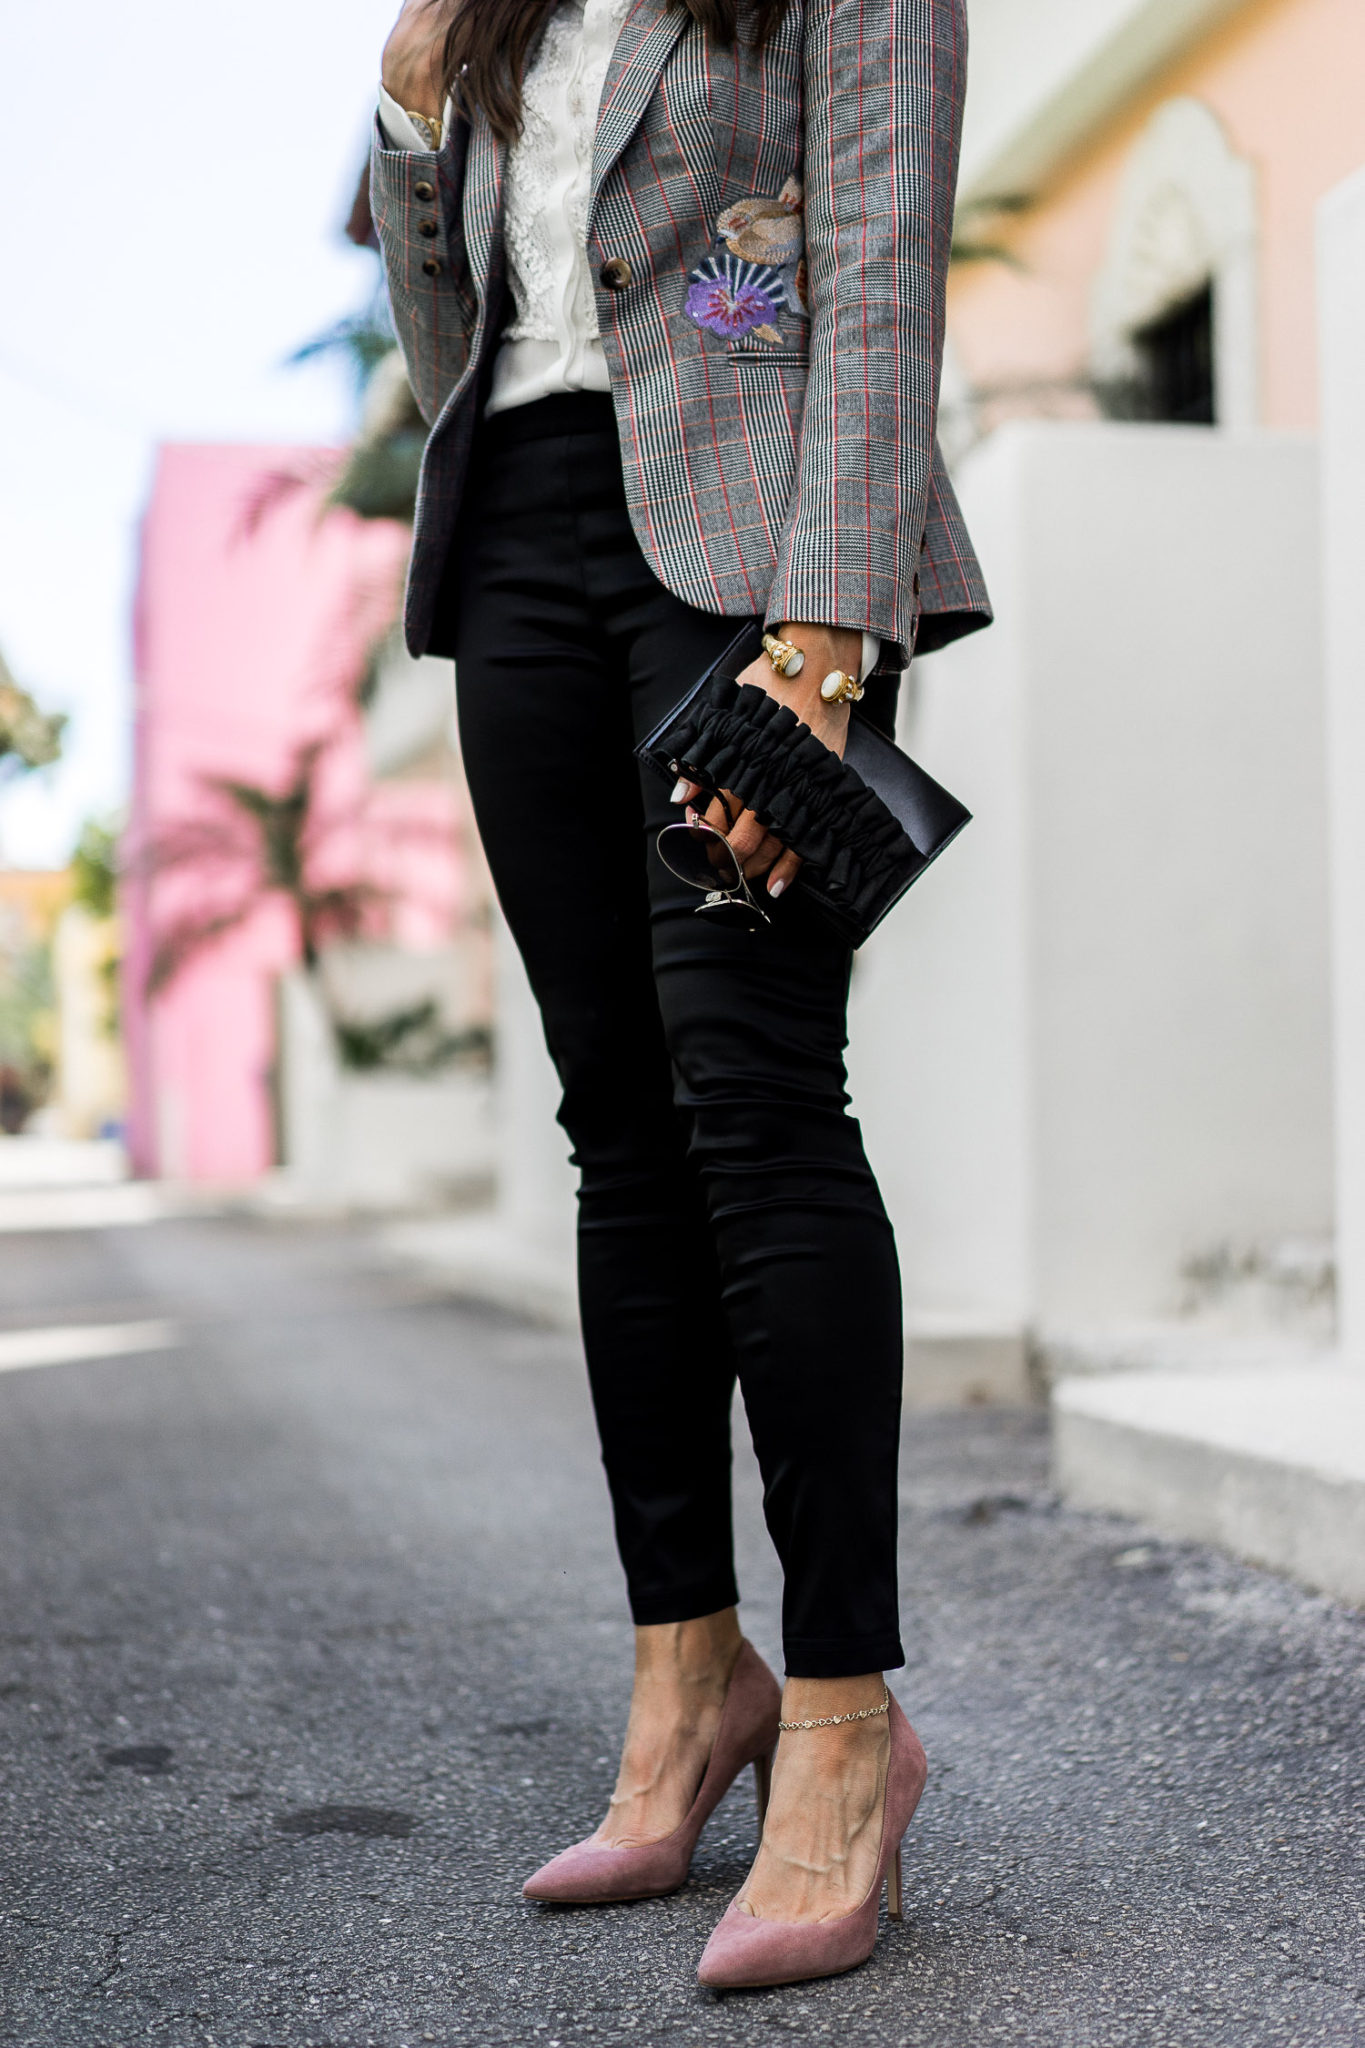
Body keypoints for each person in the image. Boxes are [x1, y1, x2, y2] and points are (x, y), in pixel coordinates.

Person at [374, 0, 989, 1987]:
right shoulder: (499, 21)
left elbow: (873, 264)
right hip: (518, 565)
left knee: (753, 1100)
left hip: (743, 559)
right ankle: (679, 1677)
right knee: (613, 1127)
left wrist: (827, 623)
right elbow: (445, 344)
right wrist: (405, 110)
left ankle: (834, 1721)